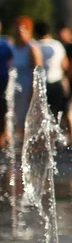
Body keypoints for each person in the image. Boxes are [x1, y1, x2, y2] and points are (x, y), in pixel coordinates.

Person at [11, 16, 43, 135]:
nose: (18, 33)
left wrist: (34, 91)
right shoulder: (15, 47)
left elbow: (38, 70)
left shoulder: (32, 47)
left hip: (27, 89)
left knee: (28, 121)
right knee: (18, 120)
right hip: (17, 89)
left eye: (21, 30)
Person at [34, 22, 68, 118]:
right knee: (59, 114)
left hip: (42, 84)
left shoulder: (35, 46)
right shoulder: (57, 45)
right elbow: (65, 64)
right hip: (57, 82)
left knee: (42, 115)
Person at [0, 20, 14, 148]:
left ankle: (3, 136)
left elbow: (12, 60)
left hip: (2, 81)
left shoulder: (5, 43)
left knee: (2, 110)